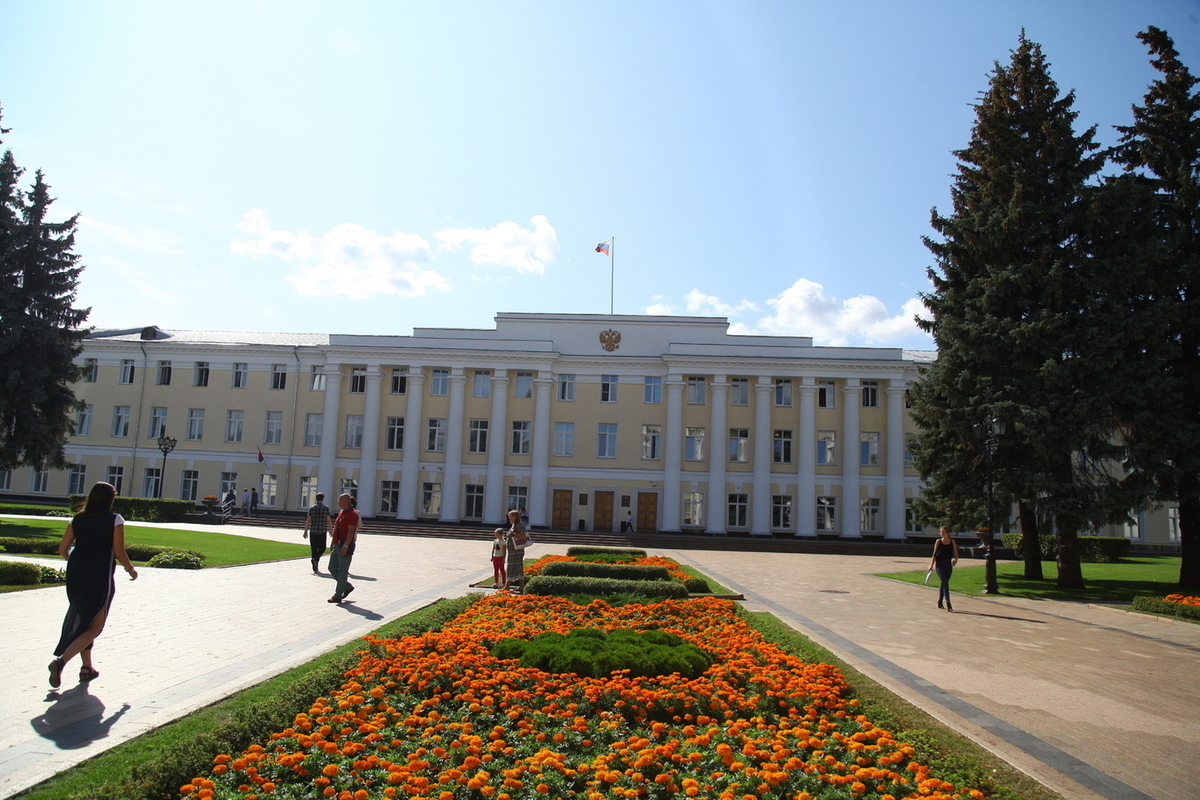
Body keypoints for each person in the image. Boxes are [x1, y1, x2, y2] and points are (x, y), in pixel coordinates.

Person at [48, 482, 138, 688]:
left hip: (76, 573)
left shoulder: (77, 519)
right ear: (110, 499)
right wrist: (130, 569)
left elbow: (63, 549)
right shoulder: (115, 519)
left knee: (85, 619)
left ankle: (86, 668)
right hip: (99, 575)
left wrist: (77, 562)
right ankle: (60, 662)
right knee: (95, 626)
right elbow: (118, 550)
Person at [327, 493, 359, 603]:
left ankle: (337, 595)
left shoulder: (352, 514)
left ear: (346, 501)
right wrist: (333, 542)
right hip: (337, 544)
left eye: (340, 500)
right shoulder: (342, 512)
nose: (338, 502)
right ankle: (347, 586)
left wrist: (345, 545)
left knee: (343, 571)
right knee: (332, 568)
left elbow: (351, 531)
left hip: (346, 545)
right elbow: (337, 528)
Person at [929, 526, 960, 612]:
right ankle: (948, 602)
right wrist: (931, 565)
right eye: (940, 532)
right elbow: (934, 554)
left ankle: (940, 601)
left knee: (944, 582)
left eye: (943, 532)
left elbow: (955, 553)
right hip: (940, 564)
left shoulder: (952, 542)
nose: (941, 533)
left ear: (948, 533)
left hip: (948, 564)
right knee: (944, 581)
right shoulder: (938, 541)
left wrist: (955, 560)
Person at [503, 509, 531, 592]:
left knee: (511, 567)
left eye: (510, 516)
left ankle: (507, 586)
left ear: (515, 517)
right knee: (518, 567)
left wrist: (514, 533)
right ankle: (521, 586)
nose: (509, 518)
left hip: (517, 551)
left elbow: (523, 537)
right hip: (513, 551)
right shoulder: (514, 525)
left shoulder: (518, 525)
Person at [303, 492, 332, 574]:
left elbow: (308, 520)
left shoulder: (312, 508)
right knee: (322, 548)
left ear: (316, 499)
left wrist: (305, 531)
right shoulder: (325, 508)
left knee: (314, 548)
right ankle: (316, 560)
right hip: (322, 531)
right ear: (323, 499)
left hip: (313, 531)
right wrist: (331, 529)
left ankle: (315, 565)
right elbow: (328, 520)